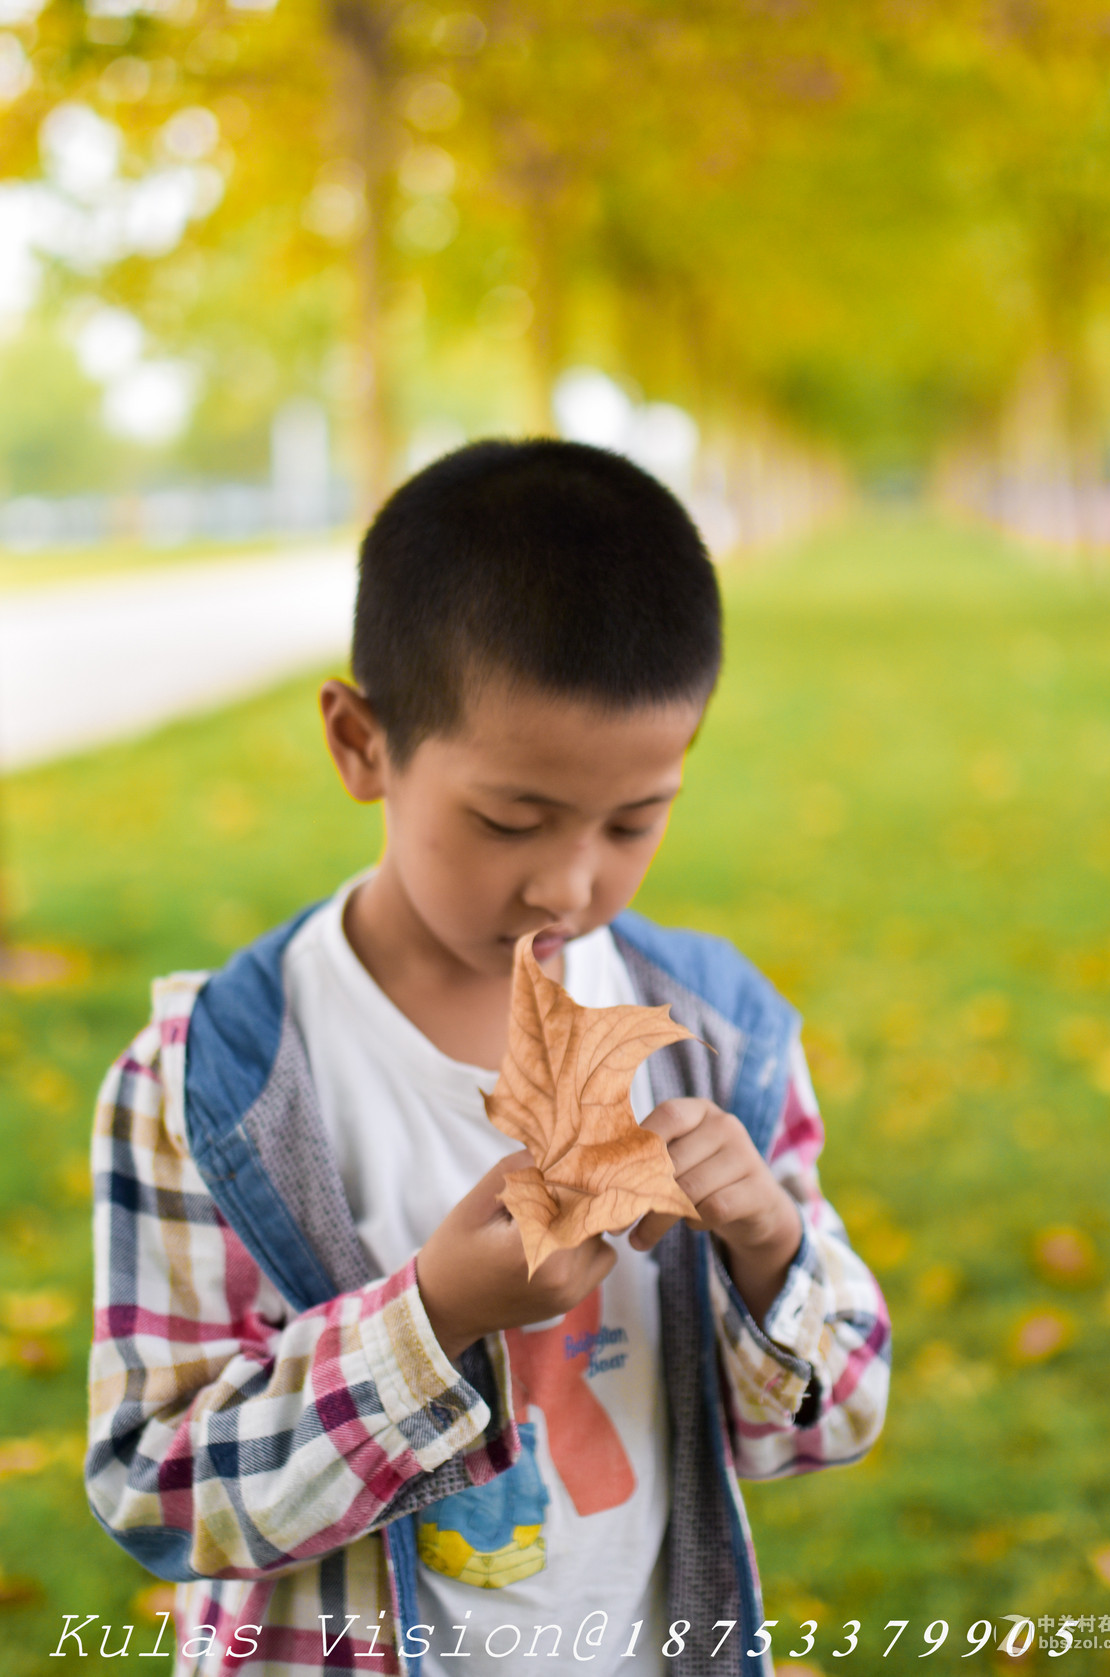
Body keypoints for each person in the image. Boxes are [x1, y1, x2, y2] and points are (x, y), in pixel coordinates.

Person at [85, 439, 890, 1677]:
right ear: (362, 744)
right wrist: (432, 1316)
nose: (571, 883)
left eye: (635, 820)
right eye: (511, 819)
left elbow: (823, 1428)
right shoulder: (213, 1083)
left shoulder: (717, 1039)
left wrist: (770, 1248)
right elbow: (159, 1493)